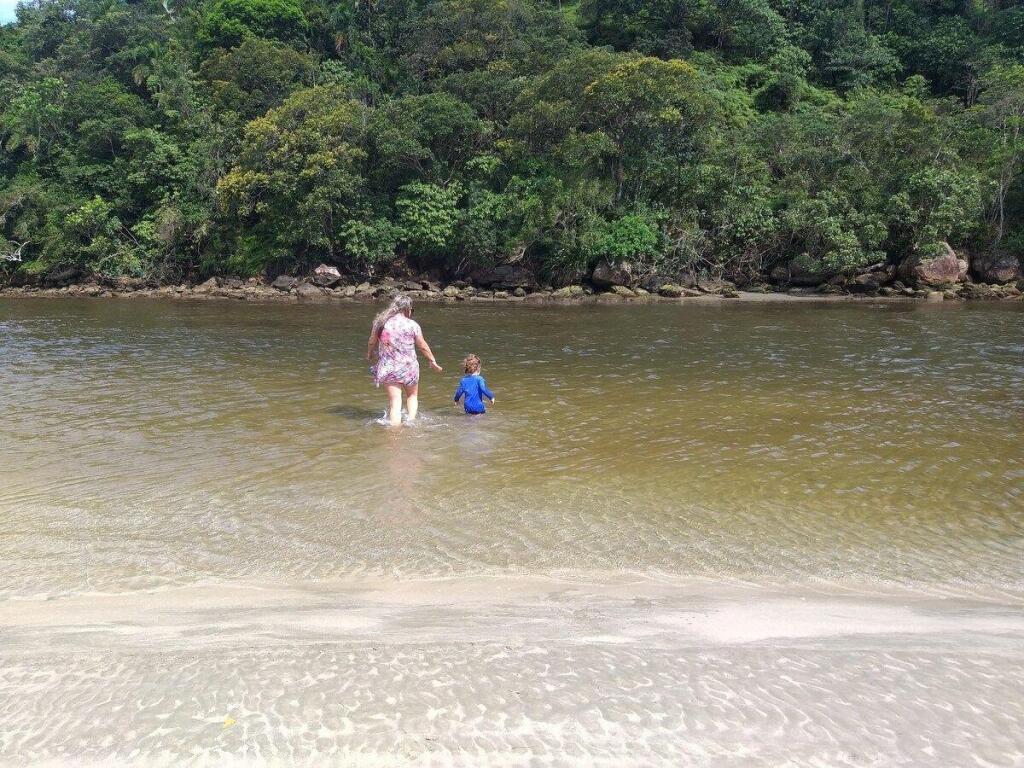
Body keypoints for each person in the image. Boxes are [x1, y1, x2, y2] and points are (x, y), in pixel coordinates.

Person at [367, 295, 442, 426]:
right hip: (409, 368)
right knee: (412, 396)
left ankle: (394, 431)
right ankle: (411, 423)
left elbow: (372, 341)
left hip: (389, 367)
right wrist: (432, 360)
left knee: (395, 402)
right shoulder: (412, 325)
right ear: (407, 309)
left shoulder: (380, 323)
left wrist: (369, 354)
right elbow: (422, 346)